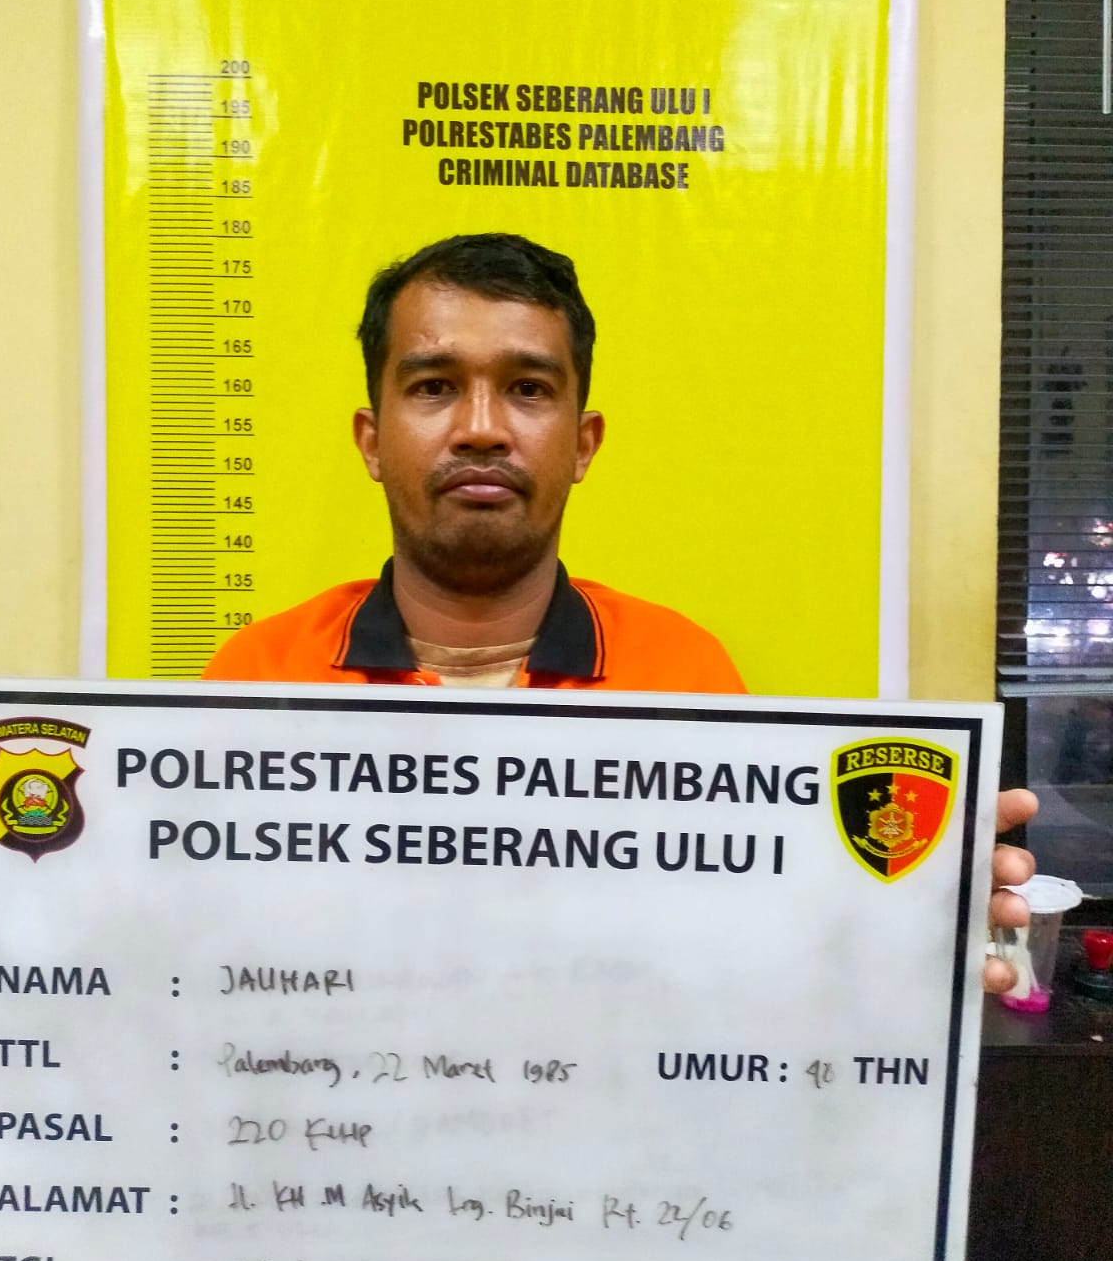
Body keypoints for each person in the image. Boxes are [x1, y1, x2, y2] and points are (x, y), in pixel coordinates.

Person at [199, 231, 1035, 991]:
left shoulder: (686, 676)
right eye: (435, 386)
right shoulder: (256, 679)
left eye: (528, 388)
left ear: (583, 442)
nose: (482, 429)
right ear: (372, 439)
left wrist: (911, 913)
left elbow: (755, 939)